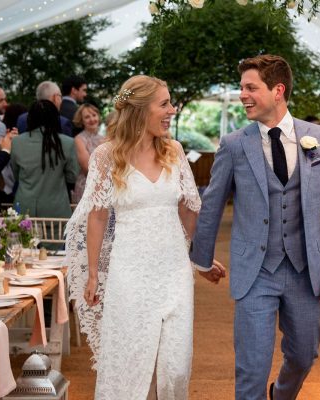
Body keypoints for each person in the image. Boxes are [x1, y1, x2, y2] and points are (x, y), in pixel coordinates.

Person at [191, 54, 320, 400]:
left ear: (278, 90)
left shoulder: (318, 138)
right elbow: (212, 204)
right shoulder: (234, 145)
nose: (243, 94)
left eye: (251, 87)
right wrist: (201, 259)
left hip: (305, 269)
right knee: (252, 366)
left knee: (305, 354)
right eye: (242, 87)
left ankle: (281, 394)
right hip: (255, 271)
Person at [65, 75, 223, 399]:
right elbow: (97, 216)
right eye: (164, 104)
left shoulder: (174, 151)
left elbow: (189, 208)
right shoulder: (107, 156)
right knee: (133, 361)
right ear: (139, 110)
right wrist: (94, 273)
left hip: (173, 270)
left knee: (176, 366)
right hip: (130, 272)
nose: (172, 110)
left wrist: (199, 257)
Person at [11, 100, 79, 217]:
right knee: (55, 236)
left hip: (24, 207)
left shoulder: (17, 142)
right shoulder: (67, 143)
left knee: (24, 235)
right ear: (55, 117)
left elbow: (16, 174)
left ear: (30, 118)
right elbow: (72, 177)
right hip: (56, 208)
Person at [71, 104, 104, 203]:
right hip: (86, 186)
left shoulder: (104, 138)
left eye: (94, 115)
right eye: (87, 117)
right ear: (81, 121)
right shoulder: (79, 139)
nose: (92, 119)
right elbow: (87, 168)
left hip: (103, 186)